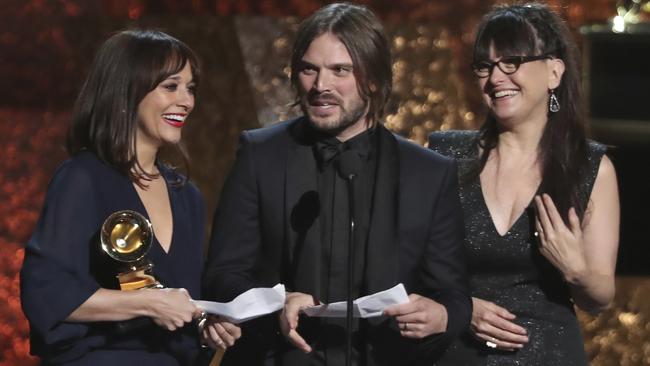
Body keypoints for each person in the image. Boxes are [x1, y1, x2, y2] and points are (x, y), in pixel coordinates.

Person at [202, 3, 471, 366]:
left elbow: (453, 293)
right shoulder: (260, 155)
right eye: (309, 70)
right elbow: (223, 275)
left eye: (339, 70)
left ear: (373, 78)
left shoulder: (428, 173)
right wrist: (277, 303)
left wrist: (442, 315)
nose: (321, 86)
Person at [20, 29, 240, 365]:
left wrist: (206, 323)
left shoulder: (187, 196)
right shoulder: (81, 179)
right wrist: (149, 303)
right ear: (128, 90)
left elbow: (183, 302)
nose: (187, 100)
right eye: (171, 86)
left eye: (190, 88)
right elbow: (46, 294)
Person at [428, 3, 620, 365]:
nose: (496, 77)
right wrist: (462, 308)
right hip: (455, 353)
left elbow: (600, 298)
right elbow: (406, 266)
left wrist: (576, 270)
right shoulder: (444, 155)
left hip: (548, 354)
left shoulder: (589, 167)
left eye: (511, 62)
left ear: (553, 71)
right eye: (485, 66)